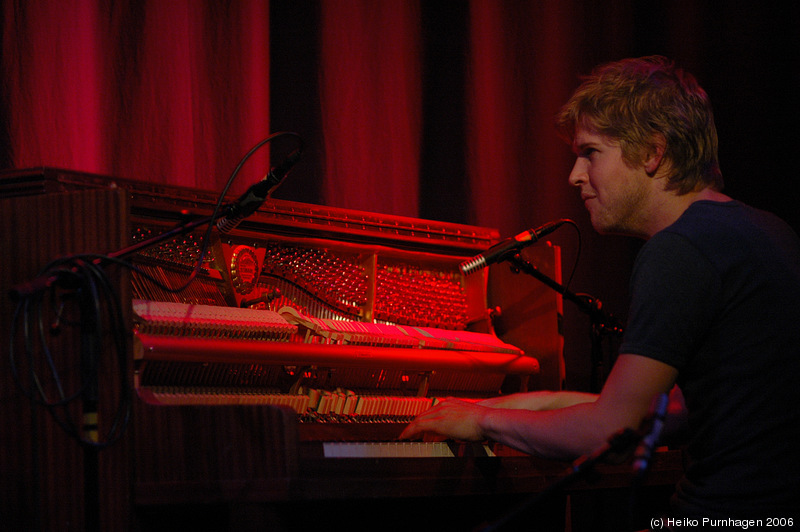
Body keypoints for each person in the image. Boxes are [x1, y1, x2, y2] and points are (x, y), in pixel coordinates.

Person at [400, 56, 800, 521]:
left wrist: (484, 420)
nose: (574, 175)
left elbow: (613, 430)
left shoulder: (681, 250)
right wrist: (524, 405)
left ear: (653, 152)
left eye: (590, 152)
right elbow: (676, 409)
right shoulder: (767, 231)